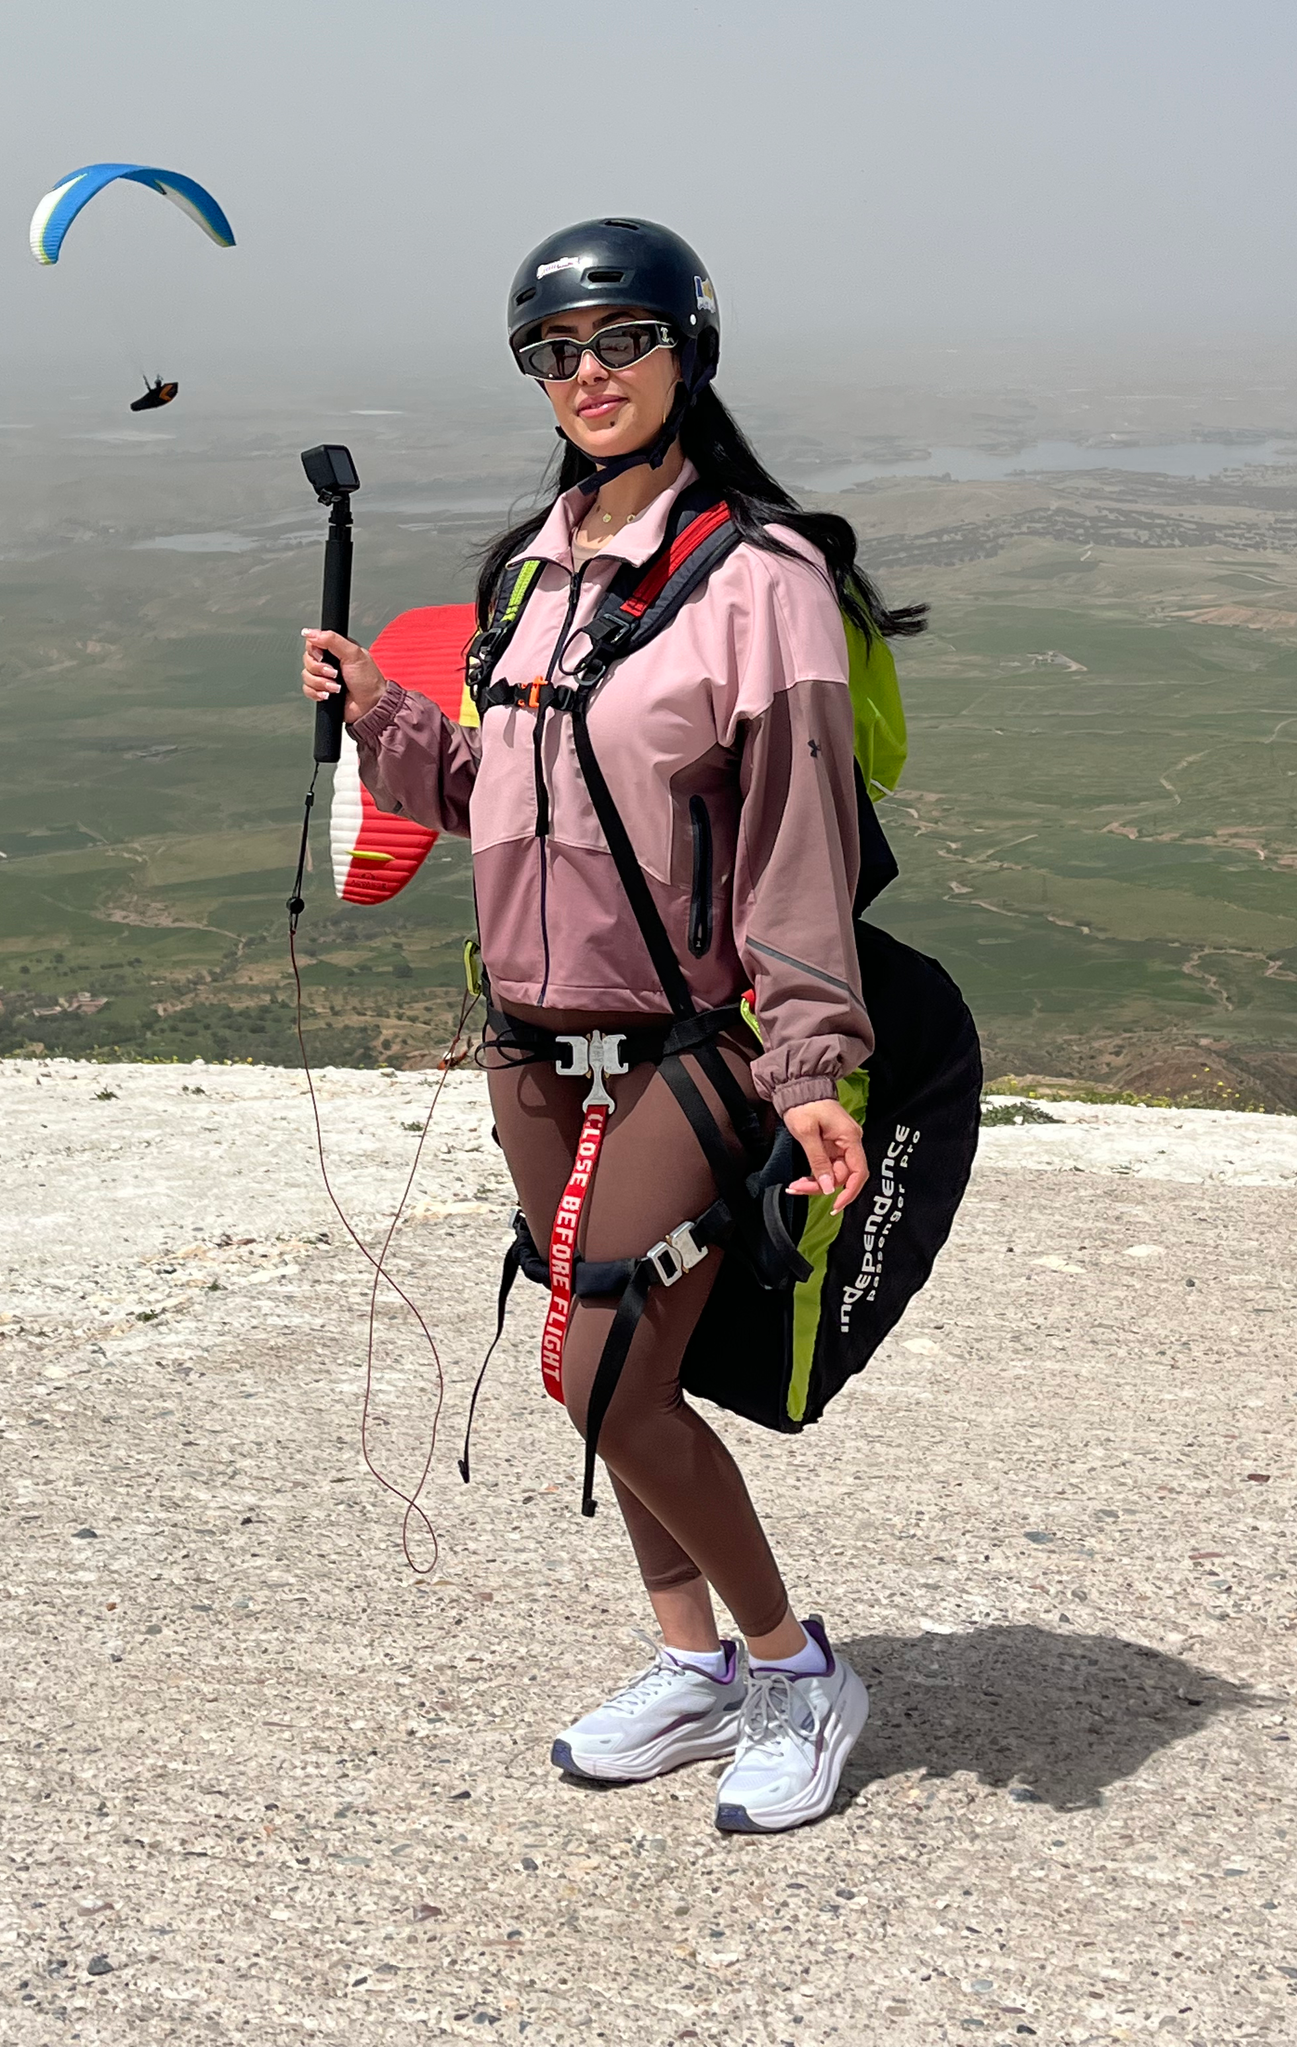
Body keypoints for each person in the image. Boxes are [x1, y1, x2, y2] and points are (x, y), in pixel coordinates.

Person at [301, 217, 922, 1835]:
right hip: (528, 1038)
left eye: (618, 340)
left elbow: (797, 837)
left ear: (688, 350)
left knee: (601, 1369)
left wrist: (814, 1065)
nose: (586, 375)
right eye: (554, 353)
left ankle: (797, 1670)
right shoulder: (532, 567)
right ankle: (693, 1662)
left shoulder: (760, 579)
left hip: (692, 1042)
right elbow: (493, 796)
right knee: (595, 1378)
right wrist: (381, 714)